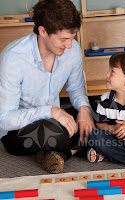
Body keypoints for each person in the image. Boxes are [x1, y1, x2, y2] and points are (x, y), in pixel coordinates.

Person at [0, 0, 95, 174]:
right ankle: (80, 144)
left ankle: (56, 151)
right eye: (64, 39)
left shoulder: (72, 49)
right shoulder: (12, 59)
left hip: (55, 121)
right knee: (54, 132)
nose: (69, 45)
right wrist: (51, 111)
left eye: (72, 37)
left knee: (102, 106)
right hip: (17, 132)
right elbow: (4, 119)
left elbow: (75, 88)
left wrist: (83, 108)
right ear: (43, 31)